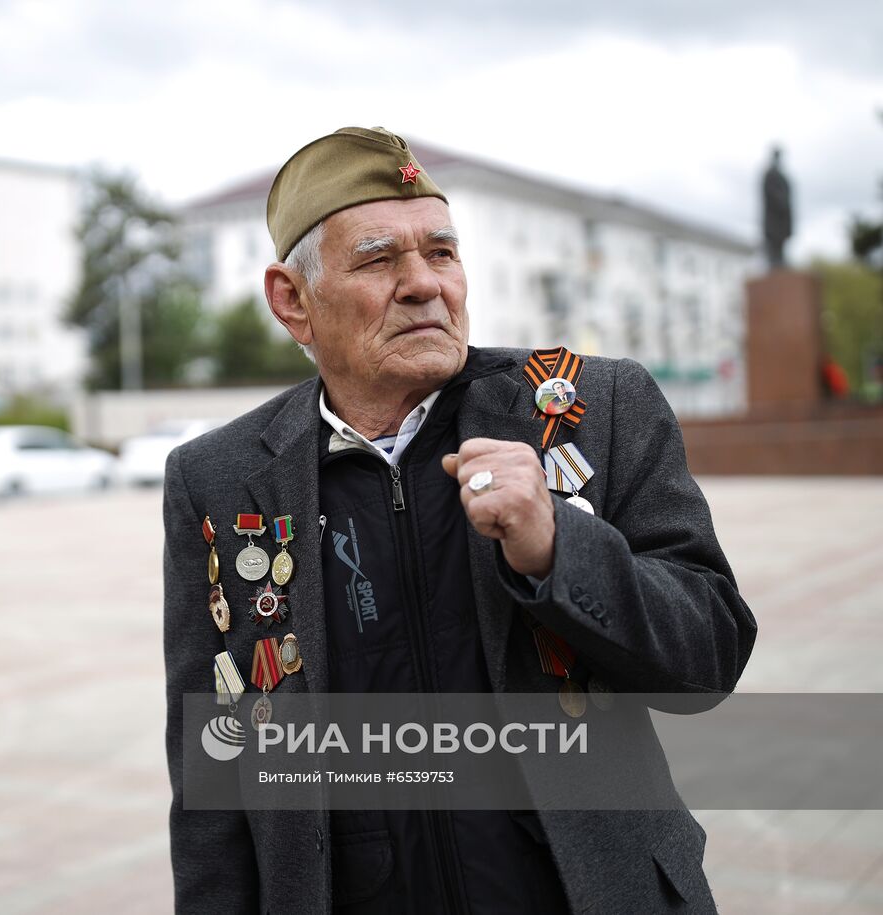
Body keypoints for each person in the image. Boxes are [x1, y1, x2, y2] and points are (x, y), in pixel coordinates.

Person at [162, 127, 756, 913]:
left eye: (441, 252)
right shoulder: (218, 477)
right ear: (292, 300)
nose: (423, 284)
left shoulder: (592, 409)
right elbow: (214, 771)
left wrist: (556, 548)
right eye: (379, 259)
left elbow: (707, 661)